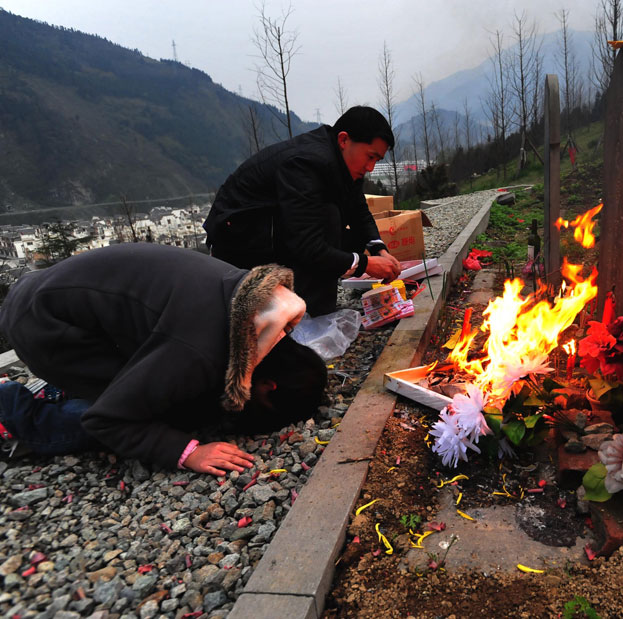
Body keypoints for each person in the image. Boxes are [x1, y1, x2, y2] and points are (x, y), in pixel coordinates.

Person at [0, 244, 328, 477]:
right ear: (269, 385)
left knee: (168, 394)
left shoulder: (259, 312)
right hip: (40, 323)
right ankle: (11, 406)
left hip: (50, 294)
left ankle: (60, 390)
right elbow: (109, 421)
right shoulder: (199, 351)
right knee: (136, 415)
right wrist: (187, 452)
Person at [203, 105, 403, 317]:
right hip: (238, 241)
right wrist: (366, 264)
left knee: (350, 237)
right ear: (344, 140)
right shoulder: (306, 164)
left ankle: (312, 309)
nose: (371, 167)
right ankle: (309, 317)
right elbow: (306, 243)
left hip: (272, 229)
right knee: (329, 217)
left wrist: (378, 249)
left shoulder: (341, 159)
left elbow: (358, 210)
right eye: (370, 157)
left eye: (376, 160)